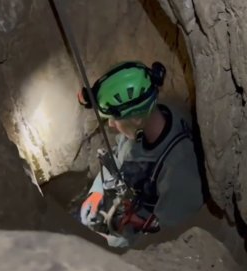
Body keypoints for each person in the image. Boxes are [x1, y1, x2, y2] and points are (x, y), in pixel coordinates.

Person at [77, 61, 204, 247]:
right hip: (136, 207)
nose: (111, 125)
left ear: (136, 118)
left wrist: (113, 242)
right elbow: (117, 157)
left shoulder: (179, 168)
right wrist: (96, 193)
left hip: (155, 225)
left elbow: (167, 235)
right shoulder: (146, 123)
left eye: (115, 119)